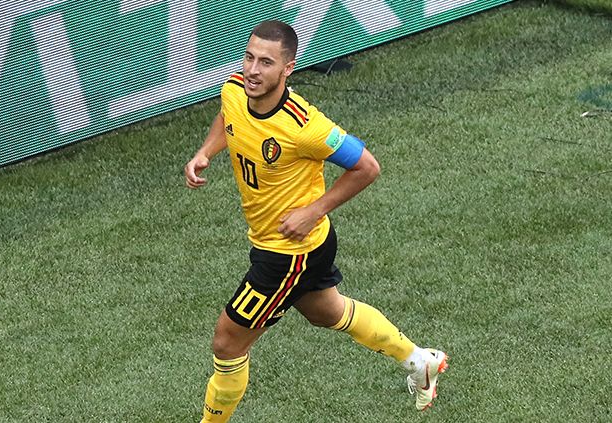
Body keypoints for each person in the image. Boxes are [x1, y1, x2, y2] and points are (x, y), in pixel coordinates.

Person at [184, 20, 448, 422]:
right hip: (286, 242)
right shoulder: (236, 87)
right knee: (327, 311)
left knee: (227, 342)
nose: (254, 70)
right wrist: (207, 151)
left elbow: (367, 167)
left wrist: (313, 210)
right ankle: (418, 361)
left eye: (266, 63)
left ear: (287, 69)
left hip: (289, 253)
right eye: (250, 57)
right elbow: (228, 117)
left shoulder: (304, 125)